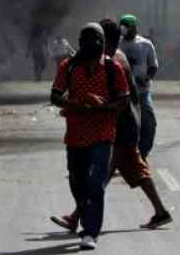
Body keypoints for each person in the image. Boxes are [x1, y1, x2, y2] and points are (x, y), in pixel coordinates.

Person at [52, 20, 172, 236]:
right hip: (123, 125)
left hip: (118, 127)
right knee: (135, 170)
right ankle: (161, 211)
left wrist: (91, 106)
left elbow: (123, 99)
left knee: (99, 177)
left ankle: (77, 218)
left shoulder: (113, 62)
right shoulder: (112, 59)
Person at [49, 24, 130, 250]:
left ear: (102, 43)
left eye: (94, 41)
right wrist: (77, 103)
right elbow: (55, 96)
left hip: (103, 133)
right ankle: (84, 215)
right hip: (75, 134)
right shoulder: (69, 67)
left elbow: (123, 100)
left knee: (96, 184)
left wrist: (101, 106)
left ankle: (90, 232)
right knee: (78, 182)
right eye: (85, 41)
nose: (89, 47)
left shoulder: (114, 68)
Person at [119, 14, 159, 159]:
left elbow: (153, 66)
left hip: (142, 92)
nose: (124, 29)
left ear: (134, 27)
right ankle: (121, 156)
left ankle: (142, 155)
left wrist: (147, 78)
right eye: (122, 26)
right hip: (122, 93)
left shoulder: (146, 44)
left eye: (127, 26)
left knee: (148, 124)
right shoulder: (116, 44)